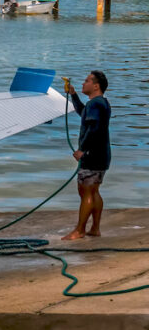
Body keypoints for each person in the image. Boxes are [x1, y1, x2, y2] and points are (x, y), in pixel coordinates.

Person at [62, 70, 111, 240]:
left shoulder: (96, 104)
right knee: (94, 191)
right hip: (101, 156)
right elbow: (83, 112)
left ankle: (80, 230)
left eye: (87, 80)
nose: (84, 83)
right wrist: (74, 95)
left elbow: (94, 128)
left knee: (86, 192)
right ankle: (95, 228)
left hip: (92, 155)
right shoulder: (98, 103)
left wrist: (82, 149)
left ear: (96, 86)